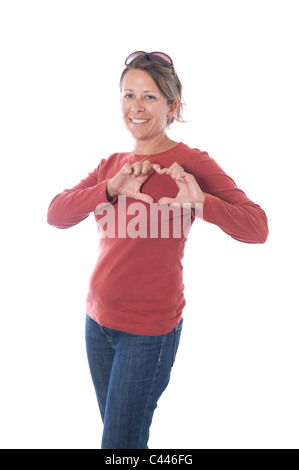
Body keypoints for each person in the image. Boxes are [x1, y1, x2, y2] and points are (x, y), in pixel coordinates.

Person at [47, 51, 268, 449]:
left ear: (172, 106)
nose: (136, 106)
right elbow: (56, 215)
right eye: (128, 94)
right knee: (124, 443)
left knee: (118, 446)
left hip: (148, 331)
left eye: (149, 97)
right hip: (96, 323)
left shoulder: (190, 162)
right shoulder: (112, 166)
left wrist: (200, 203)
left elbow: (257, 228)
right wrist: (110, 189)